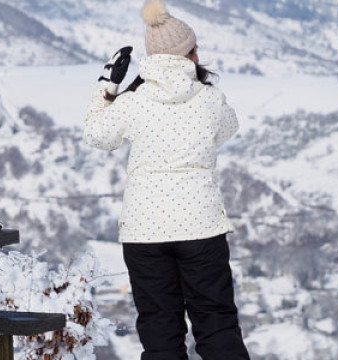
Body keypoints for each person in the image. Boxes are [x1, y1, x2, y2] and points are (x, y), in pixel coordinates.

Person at [83, 1, 250, 359]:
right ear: (190, 54)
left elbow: (97, 135)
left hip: (145, 232)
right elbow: (229, 127)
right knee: (216, 322)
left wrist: (108, 88)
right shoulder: (210, 99)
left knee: (160, 327)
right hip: (201, 227)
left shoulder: (133, 102)